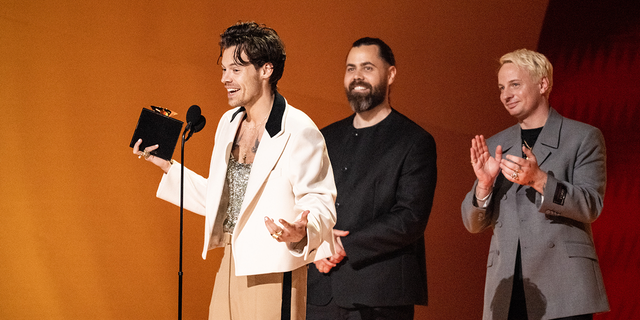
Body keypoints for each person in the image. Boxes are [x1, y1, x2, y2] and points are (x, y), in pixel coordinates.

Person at [133, 21, 337, 320]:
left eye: (235, 70)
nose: (225, 78)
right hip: (232, 259)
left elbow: (320, 203)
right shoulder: (229, 123)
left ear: (265, 70)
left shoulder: (299, 130)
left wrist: (302, 232)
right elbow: (223, 198)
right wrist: (167, 165)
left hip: (272, 267)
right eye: (224, 69)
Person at [462, 49, 609, 320]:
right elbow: (473, 224)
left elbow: (591, 205)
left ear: (543, 84)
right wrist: (483, 186)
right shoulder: (498, 144)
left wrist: (540, 180)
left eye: (515, 85)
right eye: (501, 88)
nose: (505, 95)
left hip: (563, 283)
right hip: (507, 286)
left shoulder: (582, 137)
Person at [306, 37, 437, 320]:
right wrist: (316, 241)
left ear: (390, 74)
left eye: (367, 68)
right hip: (321, 288)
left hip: (380, 294)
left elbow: (410, 218)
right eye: (351, 68)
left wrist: (343, 245)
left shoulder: (414, 141)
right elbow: (306, 200)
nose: (357, 77)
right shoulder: (325, 137)